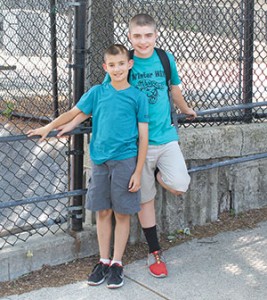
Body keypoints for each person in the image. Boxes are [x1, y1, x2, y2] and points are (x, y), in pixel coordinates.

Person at [27, 44, 149, 289]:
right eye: (112, 65)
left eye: (121, 64)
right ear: (105, 67)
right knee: (102, 212)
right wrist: (49, 127)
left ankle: (117, 263)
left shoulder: (138, 96)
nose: (117, 69)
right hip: (100, 162)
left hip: (126, 161)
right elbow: (74, 113)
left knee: (122, 213)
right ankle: (103, 260)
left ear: (129, 65)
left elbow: (143, 137)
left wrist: (137, 171)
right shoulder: (97, 92)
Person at [124, 13, 197, 278]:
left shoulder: (166, 59)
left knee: (180, 184)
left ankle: (156, 174)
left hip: (165, 138)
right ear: (130, 37)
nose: (143, 41)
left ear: (155, 35)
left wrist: (187, 109)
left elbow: (174, 90)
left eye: (148, 35)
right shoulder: (127, 62)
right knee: (146, 200)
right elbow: (111, 95)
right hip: (138, 143)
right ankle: (154, 251)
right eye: (137, 36)